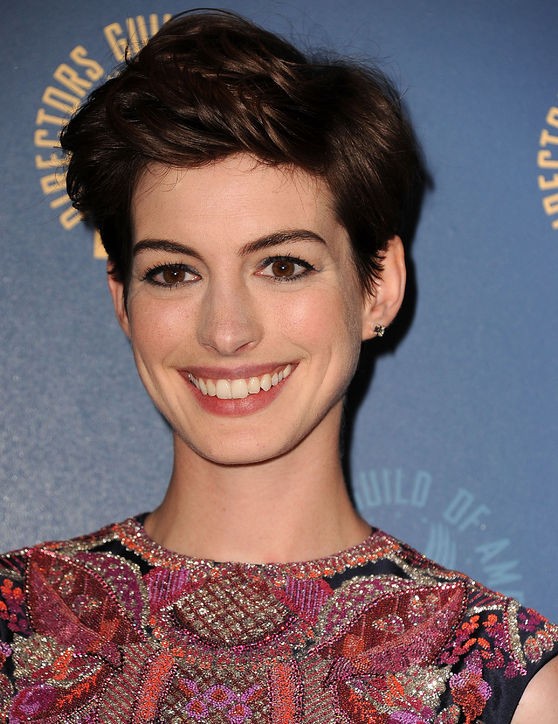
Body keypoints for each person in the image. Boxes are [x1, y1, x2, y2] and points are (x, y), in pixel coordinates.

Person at [1, 9, 557, 722]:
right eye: (174, 273)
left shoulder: (501, 680)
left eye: (283, 265)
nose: (226, 331)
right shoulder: (14, 632)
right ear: (123, 301)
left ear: (378, 286)